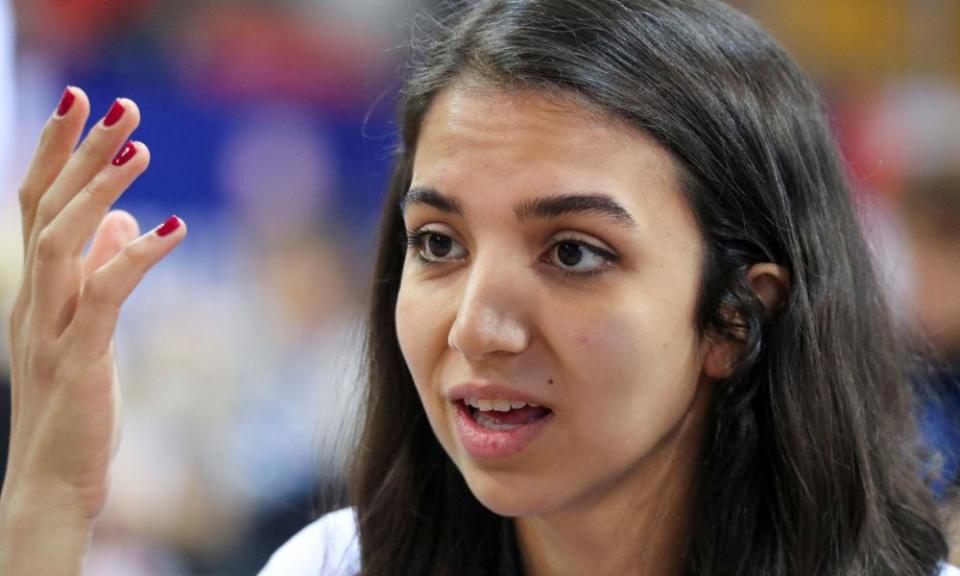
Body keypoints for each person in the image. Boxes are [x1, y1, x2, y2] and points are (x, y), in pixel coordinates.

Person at [1, 0, 958, 574]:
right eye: (439, 243)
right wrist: (49, 498)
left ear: (738, 316)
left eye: (574, 252)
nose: (479, 327)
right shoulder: (337, 566)